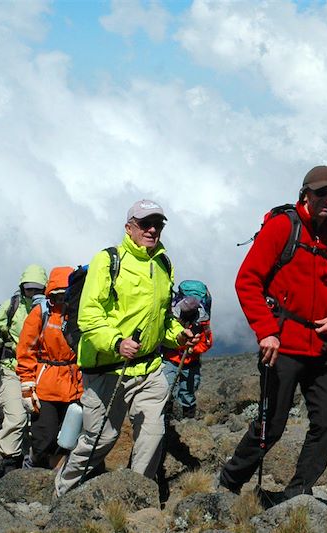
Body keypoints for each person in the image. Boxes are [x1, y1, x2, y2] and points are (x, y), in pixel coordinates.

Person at [219, 165, 327, 500]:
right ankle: (230, 483)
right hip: (282, 345)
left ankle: (297, 494)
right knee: (270, 427)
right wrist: (266, 331)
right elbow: (247, 280)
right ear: (305, 193)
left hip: (320, 345)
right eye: (322, 193)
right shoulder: (283, 227)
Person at [55, 199, 199, 496]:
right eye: (145, 224)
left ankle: (136, 498)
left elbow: (161, 319)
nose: (152, 229)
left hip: (148, 368)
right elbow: (89, 316)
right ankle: (62, 493)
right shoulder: (108, 260)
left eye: (157, 224)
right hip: (108, 368)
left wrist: (179, 336)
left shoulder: (163, 264)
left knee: (152, 434)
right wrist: (117, 343)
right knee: (101, 439)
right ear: (129, 227)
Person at [0, 265, 48, 475]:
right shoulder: (11, 306)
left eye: (38, 289)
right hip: (12, 370)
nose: (33, 293)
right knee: (17, 417)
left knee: (36, 420)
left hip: (40, 372)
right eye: (29, 289)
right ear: (22, 288)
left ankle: (30, 462)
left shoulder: (51, 309)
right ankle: (9, 463)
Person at [16, 266, 82, 469]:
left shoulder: (81, 314)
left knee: (70, 437)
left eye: (66, 295)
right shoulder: (41, 314)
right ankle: (34, 468)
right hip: (46, 385)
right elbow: (26, 349)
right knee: (44, 435)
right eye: (57, 296)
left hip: (75, 385)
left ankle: (58, 479)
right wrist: (27, 385)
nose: (62, 300)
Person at [161, 295, 213, 419]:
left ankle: (187, 419)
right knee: (166, 388)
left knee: (188, 391)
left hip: (190, 361)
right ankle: (166, 417)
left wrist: (193, 349)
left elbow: (206, 342)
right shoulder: (173, 318)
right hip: (172, 359)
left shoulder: (202, 322)